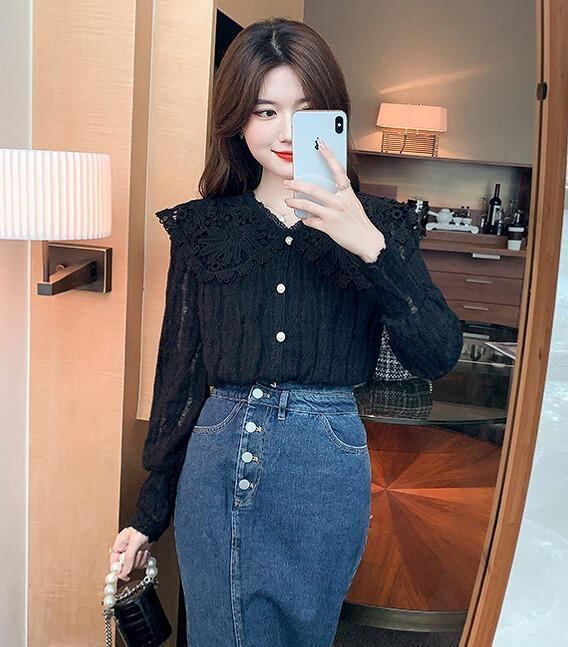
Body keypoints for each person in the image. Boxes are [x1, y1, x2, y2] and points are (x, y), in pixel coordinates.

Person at [108, 16, 463, 647]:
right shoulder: (202, 230)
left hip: (327, 464)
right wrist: (148, 513)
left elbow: (436, 354)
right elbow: (179, 376)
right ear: (238, 123)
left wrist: (371, 248)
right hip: (217, 458)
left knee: (307, 632)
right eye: (265, 111)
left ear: (333, 117)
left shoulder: (382, 226)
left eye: (306, 111)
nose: (286, 131)